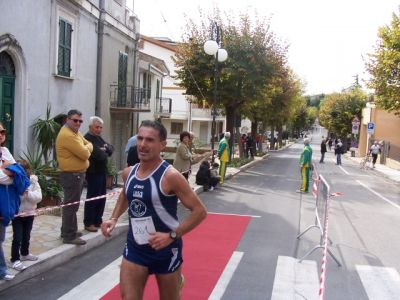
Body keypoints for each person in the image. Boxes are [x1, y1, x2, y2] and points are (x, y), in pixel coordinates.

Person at [101, 120, 207, 299]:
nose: (142, 145)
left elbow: (200, 211)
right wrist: (114, 218)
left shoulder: (171, 176)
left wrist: (172, 236)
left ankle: (177, 278)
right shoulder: (129, 173)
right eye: (140, 138)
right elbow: (126, 195)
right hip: (135, 247)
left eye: (149, 140)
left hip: (166, 250)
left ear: (162, 145)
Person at [56, 109, 93, 245]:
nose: (78, 123)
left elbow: (88, 143)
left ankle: (68, 229)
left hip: (76, 174)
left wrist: (87, 146)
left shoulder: (75, 132)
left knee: (73, 205)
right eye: (75, 120)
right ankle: (69, 235)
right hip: (71, 175)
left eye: (80, 121)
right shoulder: (68, 135)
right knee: (71, 205)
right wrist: (88, 147)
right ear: (67, 120)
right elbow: (85, 153)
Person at [10, 159, 42, 271]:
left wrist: (28, 194)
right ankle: (15, 259)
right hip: (17, 214)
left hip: (30, 213)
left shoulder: (33, 181)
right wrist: (22, 194)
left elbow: (38, 197)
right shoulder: (12, 181)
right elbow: (14, 198)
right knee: (17, 237)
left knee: (26, 235)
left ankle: (25, 253)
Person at [83, 116, 114, 232]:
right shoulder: (87, 139)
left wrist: (105, 149)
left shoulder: (99, 139)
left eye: (101, 127)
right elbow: (98, 155)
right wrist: (104, 150)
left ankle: (98, 220)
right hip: (93, 172)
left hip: (102, 172)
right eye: (97, 127)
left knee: (102, 197)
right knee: (93, 198)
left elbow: (111, 148)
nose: (99, 129)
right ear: (90, 127)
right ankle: (88, 222)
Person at [0, 123, 17, 280]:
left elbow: (17, 173)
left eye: (3, 131)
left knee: (0, 237)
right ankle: (2, 270)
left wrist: (9, 171)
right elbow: (4, 177)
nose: (1, 134)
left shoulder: (4, 151)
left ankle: (1, 270)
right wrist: (7, 170)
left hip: (4, 202)